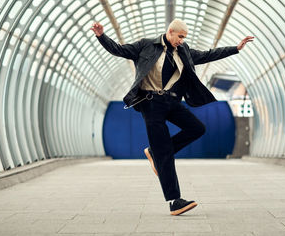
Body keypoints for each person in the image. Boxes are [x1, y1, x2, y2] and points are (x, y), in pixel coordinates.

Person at [91, 19, 253, 215]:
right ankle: (175, 201)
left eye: (184, 37)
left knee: (197, 128)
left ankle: (155, 152)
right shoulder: (145, 46)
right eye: (180, 36)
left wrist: (235, 48)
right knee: (165, 155)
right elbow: (119, 50)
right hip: (150, 103)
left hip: (171, 102)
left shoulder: (183, 51)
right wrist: (101, 36)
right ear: (170, 32)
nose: (182, 41)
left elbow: (207, 55)